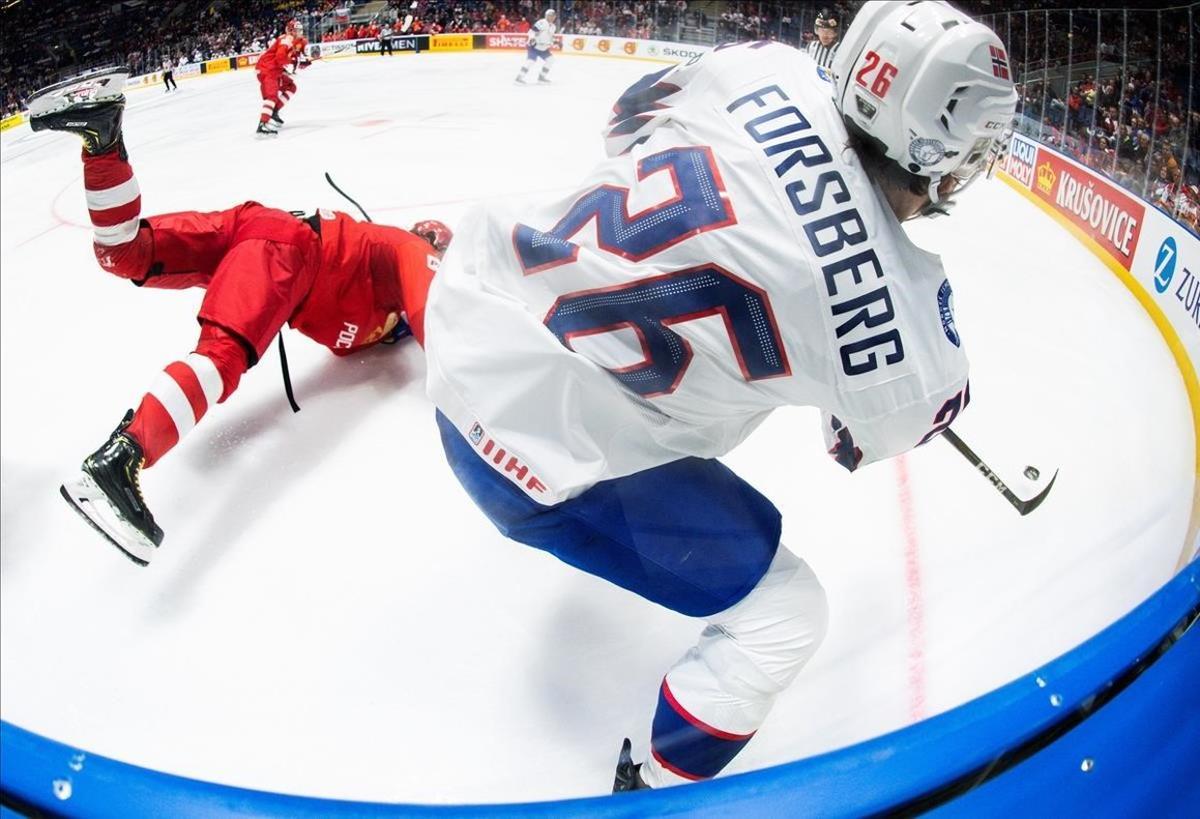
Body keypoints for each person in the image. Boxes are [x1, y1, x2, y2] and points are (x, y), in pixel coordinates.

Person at [422, 0, 1016, 789]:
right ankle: (652, 797)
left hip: (471, 301)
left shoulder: (762, 68)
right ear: (945, 147)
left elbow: (625, 122)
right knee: (784, 616)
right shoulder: (906, 337)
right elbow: (848, 441)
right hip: (533, 448)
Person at [26, 71, 451, 566]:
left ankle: (102, 136)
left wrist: (391, 330)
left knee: (125, 253)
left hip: (263, 229)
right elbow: (435, 319)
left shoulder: (377, 299)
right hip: (286, 250)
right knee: (222, 355)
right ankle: (118, 463)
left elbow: (370, 330)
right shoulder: (410, 250)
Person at [255, 18, 311, 136]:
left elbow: (293, 57)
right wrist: (294, 62)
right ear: (291, 31)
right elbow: (281, 58)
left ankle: (274, 111)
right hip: (268, 70)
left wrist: (302, 62)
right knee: (272, 97)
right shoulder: (286, 40)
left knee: (291, 87)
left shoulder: (292, 40)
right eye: (298, 30)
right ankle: (262, 125)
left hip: (274, 70)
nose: (300, 32)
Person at [514, 8, 556, 85]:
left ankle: (541, 78)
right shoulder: (542, 23)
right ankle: (518, 78)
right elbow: (532, 32)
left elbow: (550, 37)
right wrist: (532, 38)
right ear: (546, 16)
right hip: (534, 46)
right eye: (550, 16)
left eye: (553, 16)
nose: (551, 17)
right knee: (531, 61)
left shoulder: (553, 27)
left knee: (551, 60)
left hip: (544, 48)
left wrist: (555, 42)